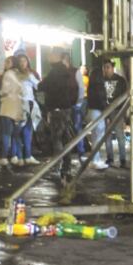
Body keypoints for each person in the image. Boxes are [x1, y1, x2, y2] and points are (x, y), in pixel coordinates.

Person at [40, 50, 79, 180]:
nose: (49, 56)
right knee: (65, 137)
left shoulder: (55, 72)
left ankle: (58, 165)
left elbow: (43, 86)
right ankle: (66, 165)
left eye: (51, 54)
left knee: (57, 138)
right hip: (66, 108)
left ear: (57, 57)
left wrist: (41, 83)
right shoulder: (66, 72)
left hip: (57, 108)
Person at [0, 54, 39, 165]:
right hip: (20, 104)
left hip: (30, 104)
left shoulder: (29, 74)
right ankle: (16, 155)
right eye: (20, 61)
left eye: (25, 61)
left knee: (26, 131)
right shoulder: (14, 74)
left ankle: (27, 155)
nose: (23, 63)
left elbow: (37, 85)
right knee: (16, 132)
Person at [100, 59, 128, 169]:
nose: (106, 70)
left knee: (120, 136)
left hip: (117, 111)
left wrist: (123, 113)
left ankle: (122, 159)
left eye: (108, 67)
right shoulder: (101, 80)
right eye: (104, 67)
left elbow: (124, 96)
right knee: (107, 136)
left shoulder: (120, 80)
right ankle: (110, 158)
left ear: (112, 67)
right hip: (106, 110)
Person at [84, 59, 111, 170]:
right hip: (97, 110)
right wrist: (106, 109)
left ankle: (95, 159)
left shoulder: (93, 82)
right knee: (98, 135)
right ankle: (95, 160)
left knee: (96, 136)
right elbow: (101, 98)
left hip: (93, 109)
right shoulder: (99, 83)